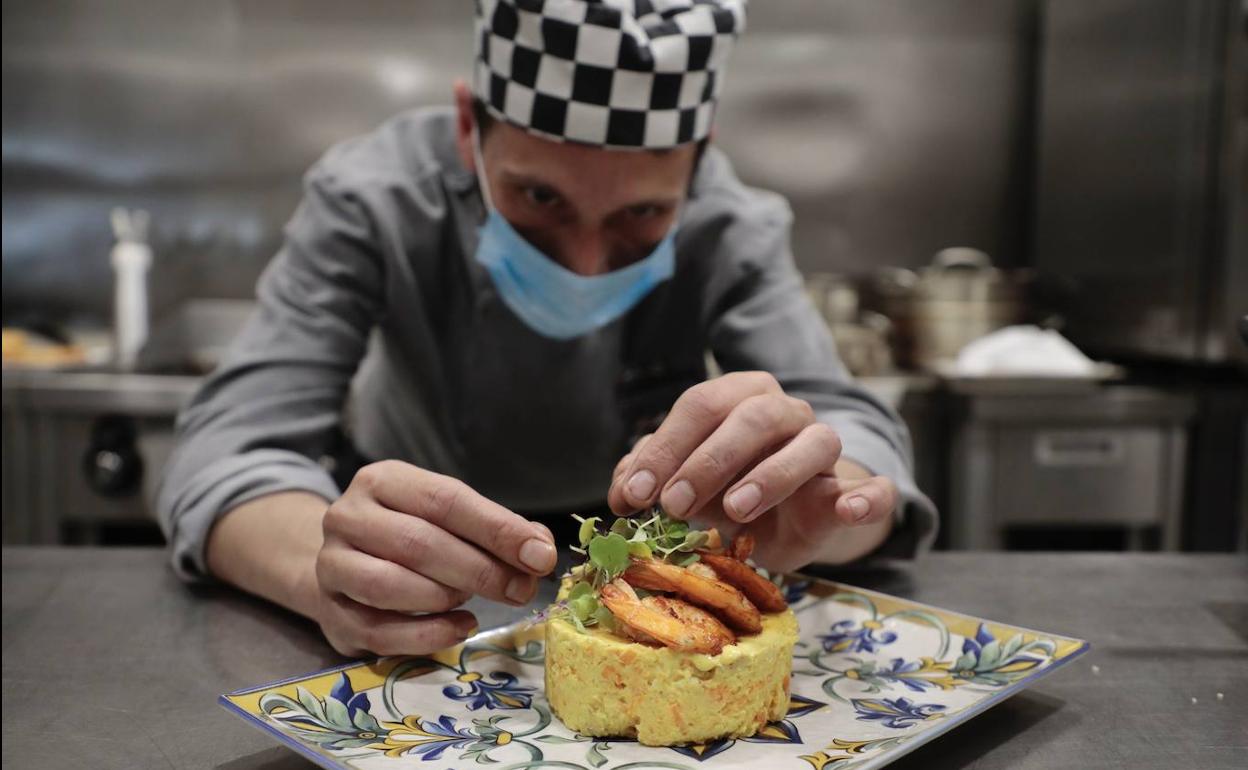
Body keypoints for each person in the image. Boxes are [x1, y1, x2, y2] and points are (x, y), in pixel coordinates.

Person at [158, 0, 936, 658]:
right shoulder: (375, 200)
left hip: (645, 570)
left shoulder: (732, 225)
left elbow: (852, 434)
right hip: (403, 571)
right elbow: (226, 452)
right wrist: (325, 569)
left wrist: (826, 511)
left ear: (698, 166)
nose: (588, 265)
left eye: (641, 214)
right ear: (470, 130)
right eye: (539, 199)